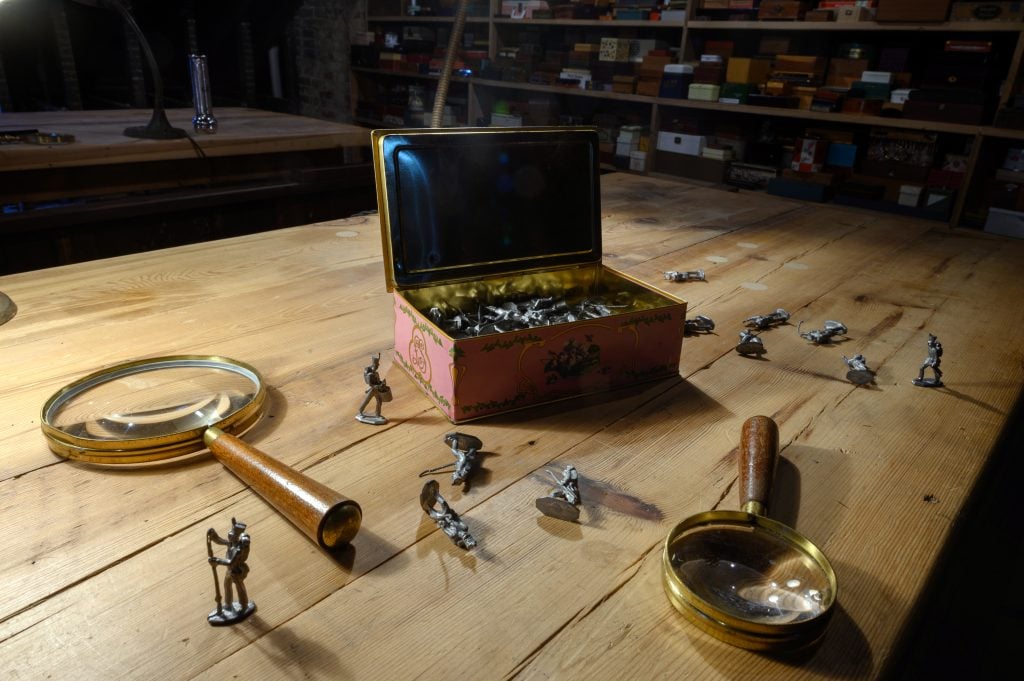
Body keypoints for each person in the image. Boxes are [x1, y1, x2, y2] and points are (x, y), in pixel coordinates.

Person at [207, 518, 255, 624]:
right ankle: (228, 604)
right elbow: (220, 541)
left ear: (237, 537)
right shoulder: (231, 544)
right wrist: (213, 535)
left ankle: (244, 605)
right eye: (231, 531)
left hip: (236, 571)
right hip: (229, 571)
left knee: (239, 587)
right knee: (227, 585)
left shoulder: (238, 549)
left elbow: (230, 562)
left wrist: (217, 561)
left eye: (232, 533)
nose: (229, 534)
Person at [356, 354, 391, 424]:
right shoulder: (370, 375)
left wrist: (382, 383)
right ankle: (360, 411)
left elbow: (378, 381)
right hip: (372, 390)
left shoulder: (376, 373)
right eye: (377, 365)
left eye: (378, 365)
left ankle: (377, 414)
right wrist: (377, 386)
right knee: (366, 400)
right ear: (374, 365)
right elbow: (370, 384)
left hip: (377, 390)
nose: (378, 366)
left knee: (379, 401)